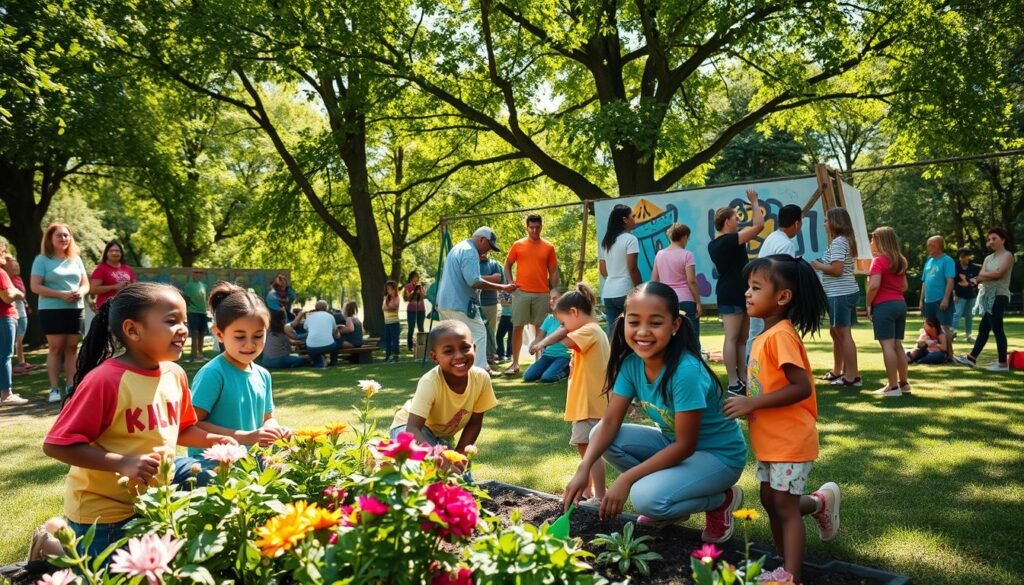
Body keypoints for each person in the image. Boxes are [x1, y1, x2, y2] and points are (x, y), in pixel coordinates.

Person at [41, 282, 236, 557]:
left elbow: (182, 429)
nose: (182, 328)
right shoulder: (106, 380)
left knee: (200, 474)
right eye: (171, 321)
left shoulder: (175, 374)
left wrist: (212, 440)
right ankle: (50, 545)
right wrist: (123, 463)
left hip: (151, 500)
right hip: (103, 511)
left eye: (183, 320)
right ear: (133, 330)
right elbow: (57, 445)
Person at [563, 282, 748, 545]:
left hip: (718, 457)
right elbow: (612, 421)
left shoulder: (686, 371)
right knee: (599, 434)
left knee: (645, 498)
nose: (643, 332)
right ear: (624, 322)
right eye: (634, 321)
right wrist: (584, 468)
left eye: (655, 323)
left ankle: (721, 500)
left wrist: (627, 479)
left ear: (674, 326)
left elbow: (686, 445)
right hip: (676, 446)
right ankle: (667, 493)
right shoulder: (631, 364)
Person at [722, 255, 840, 584]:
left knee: (785, 508)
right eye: (748, 286)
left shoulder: (781, 336)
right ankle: (784, 564)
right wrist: (745, 402)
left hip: (790, 440)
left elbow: (800, 387)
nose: (747, 293)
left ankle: (791, 577)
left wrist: (752, 403)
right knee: (770, 501)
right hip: (770, 440)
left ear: (783, 297)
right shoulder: (764, 337)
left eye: (756, 287)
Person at [189, 283, 291, 469]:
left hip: (251, 463)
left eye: (258, 336)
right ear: (219, 334)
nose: (250, 344)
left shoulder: (263, 375)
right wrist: (244, 436)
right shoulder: (213, 373)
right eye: (239, 336)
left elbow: (267, 418)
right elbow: (191, 425)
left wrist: (274, 430)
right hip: (213, 466)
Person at [530, 284, 610, 503]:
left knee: (590, 451)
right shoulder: (591, 331)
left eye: (563, 321)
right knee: (586, 449)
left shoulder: (589, 330)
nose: (563, 327)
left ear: (574, 312)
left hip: (590, 404)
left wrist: (543, 342)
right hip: (587, 402)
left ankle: (600, 496)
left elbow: (564, 338)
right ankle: (588, 490)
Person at [389, 320, 498, 455]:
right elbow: (413, 428)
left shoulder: (481, 378)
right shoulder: (430, 381)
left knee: (456, 473)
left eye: (465, 348)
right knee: (429, 470)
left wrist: (459, 456)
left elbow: (475, 423)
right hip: (408, 429)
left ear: (474, 349)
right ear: (435, 357)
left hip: (441, 437)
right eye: (448, 351)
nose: (459, 355)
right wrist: (436, 459)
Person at [708, 189, 764, 394]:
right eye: (735, 218)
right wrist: (754, 203)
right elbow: (758, 226)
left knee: (741, 338)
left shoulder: (722, 242)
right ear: (726, 222)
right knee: (732, 337)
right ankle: (733, 382)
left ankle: (742, 377)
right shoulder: (725, 241)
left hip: (740, 291)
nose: (738, 222)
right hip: (731, 293)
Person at [437, 227, 516, 371]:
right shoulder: (470, 251)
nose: (488, 251)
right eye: (489, 246)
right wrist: (503, 287)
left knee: (451, 339)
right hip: (459, 304)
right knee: (479, 333)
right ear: (481, 239)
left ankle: (451, 371)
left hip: (445, 303)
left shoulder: (458, 248)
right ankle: (481, 370)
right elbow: (474, 281)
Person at [30, 222, 89, 404]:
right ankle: (55, 388)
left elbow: (86, 284)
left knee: (72, 348)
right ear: (50, 238)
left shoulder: (76, 259)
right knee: (56, 348)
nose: (64, 238)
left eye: (66, 235)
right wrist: (61, 295)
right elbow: (35, 287)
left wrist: (81, 292)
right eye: (59, 235)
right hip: (51, 309)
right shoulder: (42, 260)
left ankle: (72, 386)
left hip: (75, 309)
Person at [810, 207, 862, 388]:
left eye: (826, 220)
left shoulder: (839, 242)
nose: (824, 224)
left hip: (840, 293)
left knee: (843, 334)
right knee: (837, 332)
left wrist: (818, 265)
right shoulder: (842, 241)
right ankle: (840, 370)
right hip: (841, 292)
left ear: (835, 222)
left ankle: (852, 376)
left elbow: (837, 270)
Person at [503, 215, 558, 376]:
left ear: (541, 226)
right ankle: (514, 364)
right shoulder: (518, 245)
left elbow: (553, 271)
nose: (534, 230)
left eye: (537, 227)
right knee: (517, 327)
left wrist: (554, 292)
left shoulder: (548, 247)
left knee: (540, 329)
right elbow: (507, 265)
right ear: (526, 227)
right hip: (521, 293)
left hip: (542, 293)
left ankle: (539, 363)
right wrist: (510, 283)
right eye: (531, 227)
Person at [746, 204, 801, 360]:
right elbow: (784, 276)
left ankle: (749, 373)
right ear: (797, 223)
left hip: (758, 292)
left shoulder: (772, 237)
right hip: (771, 297)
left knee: (754, 334)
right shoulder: (786, 244)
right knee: (773, 333)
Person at [954, 228, 1014, 371]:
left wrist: (982, 277)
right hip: (987, 296)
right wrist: (979, 278)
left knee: (997, 328)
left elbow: (998, 274)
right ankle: (972, 358)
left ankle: (1002, 364)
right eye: (989, 239)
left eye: (994, 238)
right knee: (984, 328)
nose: (990, 242)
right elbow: (982, 275)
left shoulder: (1007, 255)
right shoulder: (988, 258)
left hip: (999, 295)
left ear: (1003, 240)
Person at [866, 227, 910, 397]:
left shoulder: (878, 261)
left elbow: (874, 285)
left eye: (872, 239)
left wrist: (868, 304)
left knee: (887, 346)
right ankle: (903, 383)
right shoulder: (901, 260)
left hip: (884, 306)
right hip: (900, 304)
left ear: (880, 241)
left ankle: (892, 386)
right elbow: (905, 286)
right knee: (897, 345)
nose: (871, 243)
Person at [651, 223, 701, 341]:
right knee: (691, 338)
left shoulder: (660, 254)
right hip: (686, 300)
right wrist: (698, 302)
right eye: (687, 237)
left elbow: (654, 280)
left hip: (666, 300)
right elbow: (691, 280)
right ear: (683, 237)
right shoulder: (687, 255)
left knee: (670, 338)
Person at [599, 205, 641, 336]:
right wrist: (640, 288)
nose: (635, 219)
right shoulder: (630, 239)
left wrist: (614, 278)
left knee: (614, 333)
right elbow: (632, 268)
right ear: (624, 219)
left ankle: (613, 356)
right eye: (632, 216)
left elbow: (603, 270)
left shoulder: (606, 241)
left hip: (608, 292)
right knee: (632, 330)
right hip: (625, 291)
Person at [918, 235, 955, 362]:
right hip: (929, 301)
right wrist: (921, 299)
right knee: (929, 328)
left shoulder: (947, 260)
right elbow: (924, 282)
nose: (928, 248)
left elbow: (950, 281)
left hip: (941, 299)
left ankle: (949, 354)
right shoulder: (929, 261)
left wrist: (946, 299)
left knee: (944, 327)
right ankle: (930, 351)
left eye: (931, 245)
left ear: (939, 245)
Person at [523, 288, 571, 383]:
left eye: (554, 298)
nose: (551, 301)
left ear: (564, 300)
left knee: (548, 377)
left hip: (563, 356)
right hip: (547, 356)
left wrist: (540, 345)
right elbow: (540, 337)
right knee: (528, 376)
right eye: (550, 298)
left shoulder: (569, 318)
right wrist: (533, 345)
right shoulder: (548, 319)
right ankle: (549, 371)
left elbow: (560, 335)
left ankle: (567, 371)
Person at [0, 253, 27, 405]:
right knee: (5, 355)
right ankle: (6, 393)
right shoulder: (1, 273)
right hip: (4, 317)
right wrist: (18, 292)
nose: (4, 255)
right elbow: (8, 297)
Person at [4, 256, 34, 375]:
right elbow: (14, 295)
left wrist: (27, 306)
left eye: (17, 265)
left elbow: (22, 295)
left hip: (22, 312)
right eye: (12, 266)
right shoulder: (6, 281)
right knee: (14, 340)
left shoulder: (19, 279)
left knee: (20, 339)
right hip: (12, 313)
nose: (16, 267)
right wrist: (18, 294)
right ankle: (12, 365)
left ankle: (22, 362)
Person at [89, 241, 137, 309]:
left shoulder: (128, 269)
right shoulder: (100, 269)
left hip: (125, 306)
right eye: (111, 251)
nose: (114, 253)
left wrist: (130, 286)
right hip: (107, 307)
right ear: (106, 253)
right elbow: (93, 289)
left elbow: (135, 286)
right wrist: (114, 287)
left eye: (117, 251)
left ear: (121, 253)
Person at [305, 300, 352, 367]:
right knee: (338, 341)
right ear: (326, 308)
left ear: (315, 308)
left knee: (314, 349)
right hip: (328, 346)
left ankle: (319, 363)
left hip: (311, 347)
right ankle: (333, 361)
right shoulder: (330, 316)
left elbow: (306, 328)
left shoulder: (309, 317)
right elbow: (334, 333)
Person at [478, 254, 504, 364]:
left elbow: (499, 279)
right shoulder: (473, 263)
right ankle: (478, 356)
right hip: (475, 304)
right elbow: (468, 279)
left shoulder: (494, 264)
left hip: (491, 303)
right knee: (477, 331)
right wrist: (490, 280)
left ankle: (491, 355)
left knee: (490, 330)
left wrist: (479, 279)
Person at [952, 247, 979, 343]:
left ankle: (968, 335)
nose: (967, 258)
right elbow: (953, 282)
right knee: (957, 314)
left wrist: (967, 281)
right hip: (959, 295)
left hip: (971, 295)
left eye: (968, 256)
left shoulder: (973, 267)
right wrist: (954, 294)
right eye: (964, 256)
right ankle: (952, 333)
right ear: (960, 257)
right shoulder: (955, 266)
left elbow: (976, 281)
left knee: (969, 316)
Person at [183, 268, 209, 363]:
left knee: (202, 334)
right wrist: (191, 306)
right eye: (196, 272)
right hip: (193, 312)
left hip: (203, 312)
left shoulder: (203, 286)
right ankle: (193, 355)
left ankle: (200, 354)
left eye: (200, 272)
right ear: (192, 274)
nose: (198, 274)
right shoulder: (189, 286)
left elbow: (205, 298)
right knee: (195, 333)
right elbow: (186, 298)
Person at [403, 271, 426, 352]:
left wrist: (421, 292)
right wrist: (413, 292)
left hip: (421, 310)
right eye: (415, 276)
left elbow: (424, 296)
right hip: (411, 310)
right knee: (411, 328)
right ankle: (410, 346)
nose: (416, 278)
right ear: (411, 277)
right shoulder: (407, 286)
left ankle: (422, 345)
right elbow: (406, 298)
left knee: (421, 327)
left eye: (417, 277)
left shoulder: (420, 286)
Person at [382, 280, 401, 363]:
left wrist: (388, 307)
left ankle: (395, 355)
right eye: (387, 289)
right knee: (388, 340)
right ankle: (388, 355)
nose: (389, 291)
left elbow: (394, 307)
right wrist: (388, 307)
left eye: (390, 289)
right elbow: (383, 308)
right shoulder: (386, 298)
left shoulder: (396, 297)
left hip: (394, 322)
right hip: (387, 322)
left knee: (395, 340)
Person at [495, 292, 513, 362]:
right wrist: (509, 303)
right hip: (504, 316)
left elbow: (513, 303)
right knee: (499, 336)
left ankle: (509, 355)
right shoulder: (501, 293)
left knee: (510, 338)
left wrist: (508, 303)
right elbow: (502, 303)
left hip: (512, 316)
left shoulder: (515, 293)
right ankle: (501, 355)